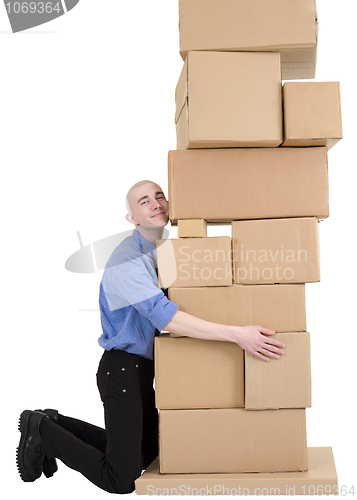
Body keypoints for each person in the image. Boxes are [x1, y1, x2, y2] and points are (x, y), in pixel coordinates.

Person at [16, 180, 285, 493]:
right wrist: (238, 334)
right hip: (122, 371)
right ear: (132, 218)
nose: (156, 204)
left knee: (148, 455)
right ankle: (43, 431)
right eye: (144, 201)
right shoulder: (127, 260)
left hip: (142, 370)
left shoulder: (164, 252)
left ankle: (59, 425)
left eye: (160, 196)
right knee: (122, 480)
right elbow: (166, 317)